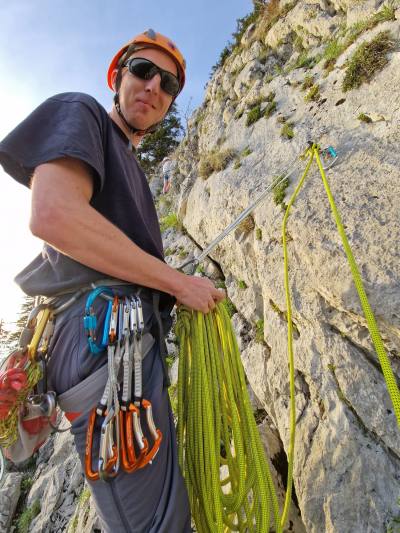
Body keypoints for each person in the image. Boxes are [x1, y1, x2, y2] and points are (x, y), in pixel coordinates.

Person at [0, 29, 225, 532]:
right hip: (101, 334)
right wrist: (176, 283)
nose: (153, 87)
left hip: (119, 336)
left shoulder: (129, 166)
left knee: (165, 513)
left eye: (167, 84)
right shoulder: (81, 112)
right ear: (116, 76)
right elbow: (54, 214)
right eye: (143, 71)